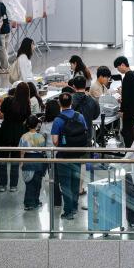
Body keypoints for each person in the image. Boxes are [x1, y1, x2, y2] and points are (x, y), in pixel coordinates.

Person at [51, 92, 89, 220]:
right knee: (75, 182)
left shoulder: (58, 120)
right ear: (71, 102)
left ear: (60, 104)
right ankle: (74, 207)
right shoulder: (80, 117)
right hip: (77, 155)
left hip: (63, 156)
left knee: (65, 184)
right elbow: (85, 132)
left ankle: (68, 211)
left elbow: (55, 141)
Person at [0, 82, 31, 192]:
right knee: (15, 159)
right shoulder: (26, 103)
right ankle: (13, 185)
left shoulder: (7, 100)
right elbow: (27, 118)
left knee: (3, 158)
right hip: (18, 132)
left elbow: (1, 115)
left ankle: (2, 185)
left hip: (6, 130)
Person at [114, 56, 134, 148]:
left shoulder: (127, 77)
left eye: (118, 68)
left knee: (127, 132)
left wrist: (122, 110)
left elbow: (126, 97)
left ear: (123, 65)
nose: (118, 70)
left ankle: (129, 151)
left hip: (129, 111)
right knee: (132, 131)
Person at [20, 115, 48, 210]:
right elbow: (42, 150)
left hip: (27, 159)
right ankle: (35, 201)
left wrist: (21, 162)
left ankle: (28, 202)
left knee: (29, 182)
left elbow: (22, 151)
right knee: (37, 182)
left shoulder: (24, 136)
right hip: (38, 161)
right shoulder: (40, 137)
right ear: (37, 125)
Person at [40, 99, 63, 207]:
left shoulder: (45, 124)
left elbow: (41, 141)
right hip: (63, 153)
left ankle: (56, 201)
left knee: (53, 179)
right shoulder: (62, 121)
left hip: (51, 155)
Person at [0, 2, 11, 74]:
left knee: (2, 50)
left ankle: (4, 67)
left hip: (2, 31)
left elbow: (0, 21)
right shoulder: (3, 4)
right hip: (7, 29)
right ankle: (6, 66)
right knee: (5, 50)